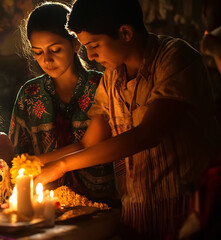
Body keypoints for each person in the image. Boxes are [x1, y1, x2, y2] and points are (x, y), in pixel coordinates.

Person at [34, 0, 221, 239]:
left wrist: (62, 165)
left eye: (94, 45)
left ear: (125, 33)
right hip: (136, 215)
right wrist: (35, 164)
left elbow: (148, 134)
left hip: (186, 212)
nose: (90, 56)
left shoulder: (175, 58)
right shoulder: (111, 78)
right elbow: (87, 144)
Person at [8, 1, 116, 201]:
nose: (46, 60)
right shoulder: (29, 94)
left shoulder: (101, 85)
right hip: (45, 200)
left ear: (75, 44)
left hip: (101, 200)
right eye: (37, 52)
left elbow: (90, 145)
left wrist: (35, 162)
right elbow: (17, 154)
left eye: (55, 50)